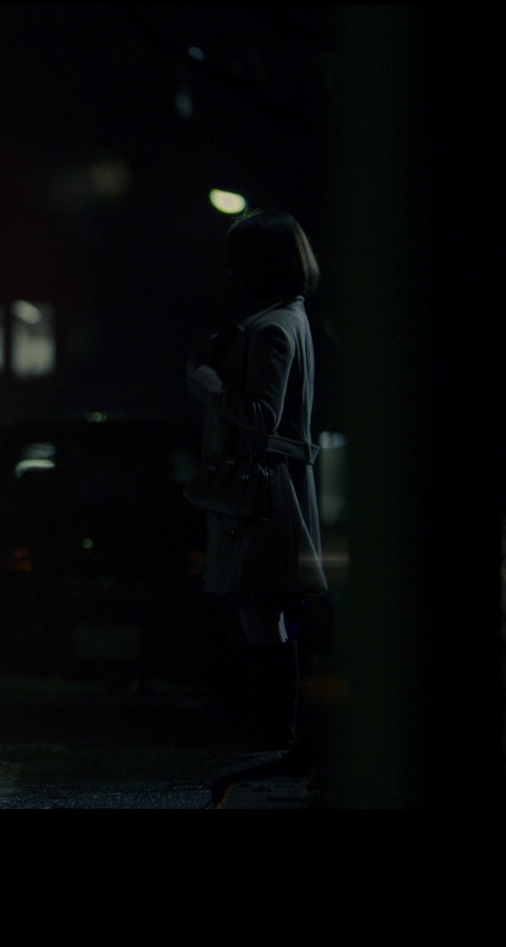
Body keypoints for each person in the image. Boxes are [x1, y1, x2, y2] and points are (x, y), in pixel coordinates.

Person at [187, 209, 327, 753]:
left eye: (238, 258)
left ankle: (274, 740)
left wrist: (208, 382)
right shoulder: (289, 318)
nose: (229, 270)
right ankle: (274, 739)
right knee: (266, 619)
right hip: (275, 492)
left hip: (265, 498)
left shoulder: (272, 327)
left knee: (261, 618)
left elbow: (262, 416)